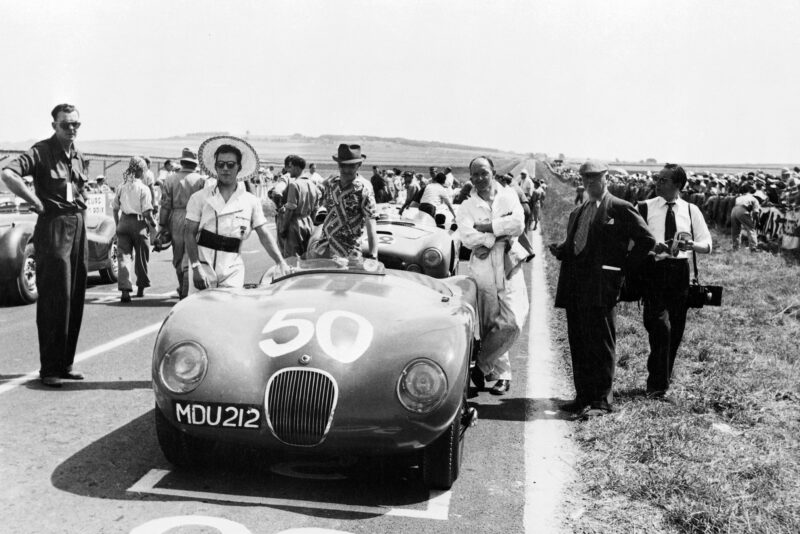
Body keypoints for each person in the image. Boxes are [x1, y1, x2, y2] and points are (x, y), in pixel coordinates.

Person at [549, 160, 654, 418]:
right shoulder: (580, 210)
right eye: (585, 179)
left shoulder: (619, 207)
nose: (589, 183)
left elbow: (646, 240)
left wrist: (622, 269)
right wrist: (562, 249)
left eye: (595, 178)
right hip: (576, 287)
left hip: (602, 288)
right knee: (579, 342)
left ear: (606, 178)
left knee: (602, 343)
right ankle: (582, 396)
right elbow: (579, 243)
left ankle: (601, 402)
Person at [0, 103, 89, 387]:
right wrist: (34, 201)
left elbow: (79, 189)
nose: (71, 129)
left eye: (76, 124)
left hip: (77, 225)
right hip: (53, 227)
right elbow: (8, 174)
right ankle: (49, 367)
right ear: (54, 126)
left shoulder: (78, 155)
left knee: (74, 296)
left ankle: (66, 363)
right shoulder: (41, 151)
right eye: (65, 124)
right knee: (54, 297)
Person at [457, 156, 529, 396]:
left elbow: (519, 224)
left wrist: (487, 229)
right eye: (475, 174)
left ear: (493, 172)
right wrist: (496, 234)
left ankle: (481, 365)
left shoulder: (508, 195)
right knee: (490, 323)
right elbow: (467, 236)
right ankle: (502, 375)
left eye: (484, 173)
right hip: (484, 267)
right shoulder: (468, 205)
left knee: (514, 319)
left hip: (508, 260)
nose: (479, 178)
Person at [639, 164, 712, 399]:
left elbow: (707, 244)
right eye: (657, 179)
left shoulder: (691, 210)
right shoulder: (644, 207)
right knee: (660, 326)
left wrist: (691, 246)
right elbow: (632, 240)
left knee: (676, 329)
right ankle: (658, 382)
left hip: (680, 271)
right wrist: (651, 248)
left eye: (663, 180)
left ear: (678, 185)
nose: (657, 183)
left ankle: (660, 383)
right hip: (654, 271)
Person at [185, 137, 288, 291]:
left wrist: (280, 262)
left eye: (230, 164)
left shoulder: (251, 201)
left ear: (239, 168)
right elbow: (188, 233)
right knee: (198, 313)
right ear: (216, 167)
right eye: (221, 164)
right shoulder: (199, 198)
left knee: (230, 312)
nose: (225, 168)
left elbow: (264, 234)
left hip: (232, 270)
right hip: (203, 268)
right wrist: (195, 266)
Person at [306, 144, 378, 260]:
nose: (346, 170)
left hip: (349, 253)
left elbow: (371, 223)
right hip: (324, 247)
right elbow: (317, 195)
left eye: (351, 166)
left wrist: (373, 255)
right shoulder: (332, 182)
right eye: (342, 165)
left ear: (359, 165)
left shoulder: (364, 190)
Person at [157, 147, 206, 298]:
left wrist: (163, 225)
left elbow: (165, 205)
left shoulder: (170, 179)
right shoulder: (200, 180)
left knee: (178, 253)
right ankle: (188, 286)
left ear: (182, 162)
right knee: (193, 252)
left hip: (176, 217)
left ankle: (181, 286)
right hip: (196, 216)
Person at [112, 157, 157, 302]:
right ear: (140, 171)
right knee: (141, 256)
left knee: (123, 257)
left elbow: (115, 208)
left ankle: (125, 289)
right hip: (139, 223)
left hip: (123, 222)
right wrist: (153, 224)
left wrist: (118, 223)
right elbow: (147, 213)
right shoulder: (144, 188)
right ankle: (141, 287)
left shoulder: (121, 186)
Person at [278, 154, 319, 258]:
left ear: (297, 168)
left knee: (292, 258)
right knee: (306, 256)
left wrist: (283, 228)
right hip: (308, 223)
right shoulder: (313, 184)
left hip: (295, 224)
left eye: (290, 168)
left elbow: (290, 210)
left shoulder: (294, 185)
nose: (288, 171)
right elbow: (315, 209)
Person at [731, 184, 760, 251]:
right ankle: (753, 247)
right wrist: (757, 221)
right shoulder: (754, 199)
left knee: (736, 230)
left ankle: (735, 247)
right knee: (751, 229)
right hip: (742, 210)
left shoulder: (739, 197)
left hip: (734, 210)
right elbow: (756, 212)